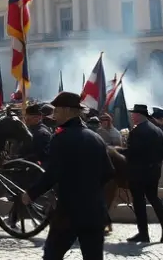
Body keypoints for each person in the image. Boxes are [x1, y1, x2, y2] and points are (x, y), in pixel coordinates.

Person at [22, 92, 113, 260]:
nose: (54, 115)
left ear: (67, 111)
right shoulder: (96, 138)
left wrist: (31, 193)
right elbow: (108, 172)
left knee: (52, 255)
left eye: (56, 111)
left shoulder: (61, 138)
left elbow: (52, 173)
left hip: (69, 212)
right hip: (95, 210)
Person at [124, 104, 163, 243]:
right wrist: (155, 163)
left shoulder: (137, 131)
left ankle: (143, 233)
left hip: (139, 172)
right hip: (154, 171)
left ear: (140, 115)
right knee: (154, 199)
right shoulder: (157, 130)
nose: (132, 116)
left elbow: (132, 153)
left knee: (139, 202)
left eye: (134, 114)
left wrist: (118, 151)